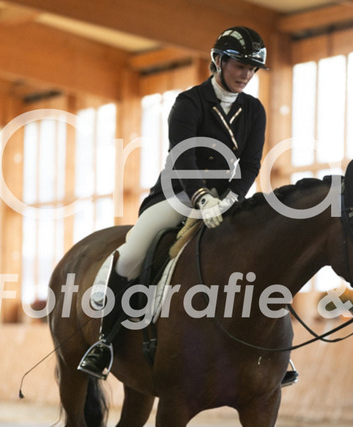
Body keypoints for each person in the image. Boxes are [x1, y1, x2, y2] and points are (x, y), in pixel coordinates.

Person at [78, 26, 298, 387]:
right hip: (179, 194)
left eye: (252, 69)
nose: (246, 74)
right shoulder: (190, 102)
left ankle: (275, 350)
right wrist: (201, 198)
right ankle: (105, 341)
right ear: (219, 61)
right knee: (132, 253)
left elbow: (251, 163)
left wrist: (231, 198)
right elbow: (184, 157)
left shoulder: (254, 110)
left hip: (227, 198)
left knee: (261, 251)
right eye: (240, 65)